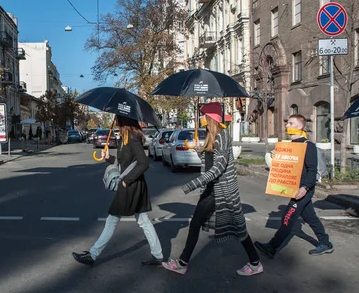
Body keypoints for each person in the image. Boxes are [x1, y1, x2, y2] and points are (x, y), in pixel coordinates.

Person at [162, 102, 263, 276]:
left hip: (222, 190)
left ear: (211, 118)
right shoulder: (211, 135)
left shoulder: (222, 135)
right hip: (212, 188)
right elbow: (209, 162)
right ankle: (183, 262)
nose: (200, 118)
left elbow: (218, 168)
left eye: (203, 115)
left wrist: (191, 185)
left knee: (238, 227)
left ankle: (255, 263)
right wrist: (197, 149)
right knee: (198, 224)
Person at [72, 115, 163, 266]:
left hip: (132, 186)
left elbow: (143, 163)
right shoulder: (124, 138)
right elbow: (123, 163)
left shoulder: (133, 137)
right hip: (133, 185)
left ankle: (93, 255)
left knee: (112, 220)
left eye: (117, 119)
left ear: (123, 121)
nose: (116, 122)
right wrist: (109, 158)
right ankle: (158, 255)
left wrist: (127, 181)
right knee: (143, 220)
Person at [254, 114, 334, 258]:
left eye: (290, 123)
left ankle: (272, 246)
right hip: (293, 188)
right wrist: (277, 158)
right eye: (287, 123)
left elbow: (312, 170)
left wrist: (305, 188)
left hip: (303, 189)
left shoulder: (307, 146)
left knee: (288, 216)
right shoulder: (289, 146)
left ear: (300, 127)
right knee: (310, 217)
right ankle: (325, 243)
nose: (287, 126)